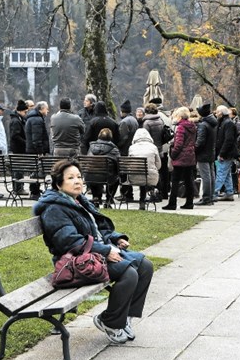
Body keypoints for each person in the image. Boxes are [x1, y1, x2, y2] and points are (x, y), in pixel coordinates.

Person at [33, 159, 154, 344]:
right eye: (71, 178)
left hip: (93, 254)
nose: (77, 181)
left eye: (79, 177)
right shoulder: (54, 209)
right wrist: (106, 251)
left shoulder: (78, 200)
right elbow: (69, 242)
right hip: (76, 263)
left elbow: (97, 229)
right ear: (59, 183)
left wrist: (115, 238)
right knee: (128, 273)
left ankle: (123, 318)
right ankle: (110, 321)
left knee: (145, 266)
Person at [162, 106, 197, 210]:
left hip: (181, 156)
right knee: (189, 180)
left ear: (180, 116)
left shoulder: (181, 127)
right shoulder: (192, 126)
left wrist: (173, 154)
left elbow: (178, 144)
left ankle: (172, 203)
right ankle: (189, 202)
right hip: (190, 155)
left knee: (175, 180)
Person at [128, 128, 161, 210]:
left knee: (140, 173)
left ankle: (138, 198)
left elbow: (129, 164)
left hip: (133, 177)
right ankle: (147, 196)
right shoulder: (153, 147)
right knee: (148, 174)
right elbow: (159, 165)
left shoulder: (131, 148)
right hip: (150, 178)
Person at [87, 128, 121, 207]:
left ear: (99, 136)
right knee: (115, 179)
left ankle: (96, 197)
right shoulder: (113, 148)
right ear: (110, 137)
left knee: (94, 172)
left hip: (90, 177)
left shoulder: (91, 147)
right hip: (107, 177)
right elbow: (118, 163)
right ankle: (108, 199)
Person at [25, 101, 51, 200]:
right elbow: (37, 139)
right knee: (37, 171)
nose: (48, 110)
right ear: (41, 109)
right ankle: (35, 192)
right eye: (46, 108)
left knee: (34, 171)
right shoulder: (37, 120)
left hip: (31, 150)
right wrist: (40, 152)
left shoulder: (32, 118)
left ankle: (34, 191)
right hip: (36, 151)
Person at [194, 103, 218, 205]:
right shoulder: (213, 123)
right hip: (211, 152)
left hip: (203, 153)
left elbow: (200, 141)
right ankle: (211, 196)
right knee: (211, 175)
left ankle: (206, 198)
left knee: (206, 176)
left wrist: (194, 149)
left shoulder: (203, 125)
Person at [213, 105, 237, 202]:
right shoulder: (224, 122)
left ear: (222, 113)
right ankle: (229, 192)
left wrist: (222, 153)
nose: (216, 113)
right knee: (226, 174)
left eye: (218, 112)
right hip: (224, 152)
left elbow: (228, 140)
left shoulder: (227, 123)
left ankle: (214, 193)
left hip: (225, 153)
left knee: (221, 173)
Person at [117, 99, 139, 202]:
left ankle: (126, 193)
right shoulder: (134, 120)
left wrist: (117, 145)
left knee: (123, 173)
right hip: (132, 149)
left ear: (122, 111)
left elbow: (123, 137)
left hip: (125, 151)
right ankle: (128, 193)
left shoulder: (124, 122)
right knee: (127, 173)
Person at [9, 100, 29, 195]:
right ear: (20, 111)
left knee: (19, 169)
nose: (26, 114)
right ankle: (18, 188)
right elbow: (15, 135)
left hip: (18, 149)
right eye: (25, 112)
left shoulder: (18, 120)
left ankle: (18, 188)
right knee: (18, 169)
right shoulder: (16, 121)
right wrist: (25, 142)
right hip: (18, 149)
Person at [229, 107, 240, 194]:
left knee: (233, 168)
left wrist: (236, 144)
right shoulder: (229, 122)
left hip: (235, 149)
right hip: (231, 148)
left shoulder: (237, 123)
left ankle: (235, 187)